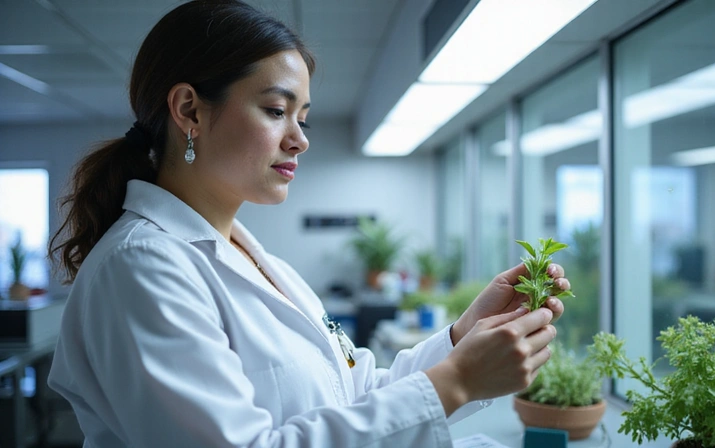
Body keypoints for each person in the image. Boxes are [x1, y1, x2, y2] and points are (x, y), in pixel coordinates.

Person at [46, 1, 570, 447]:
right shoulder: (140, 266)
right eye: (277, 110)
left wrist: (464, 338)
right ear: (190, 110)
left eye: (304, 118)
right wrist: (455, 382)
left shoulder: (257, 260)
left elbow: (356, 393)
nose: (300, 139)